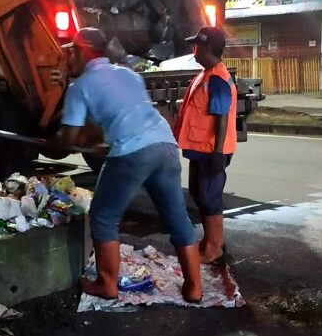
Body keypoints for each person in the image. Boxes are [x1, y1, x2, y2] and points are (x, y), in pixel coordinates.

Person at [48, 27, 202, 302]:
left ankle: (106, 284)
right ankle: (194, 287)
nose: (68, 57)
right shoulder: (129, 75)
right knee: (177, 217)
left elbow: (69, 137)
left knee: (103, 216)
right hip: (165, 145)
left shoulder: (80, 86)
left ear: (83, 51)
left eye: (71, 51)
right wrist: (101, 138)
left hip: (132, 151)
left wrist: (52, 143)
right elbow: (120, 114)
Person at [173, 26, 237, 265]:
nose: (194, 49)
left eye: (197, 45)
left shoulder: (218, 79)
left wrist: (218, 153)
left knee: (209, 197)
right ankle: (211, 241)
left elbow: (221, 117)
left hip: (211, 151)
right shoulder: (206, 74)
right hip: (201, 150)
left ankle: (214, 248)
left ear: (208, 48)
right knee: (200, 194)